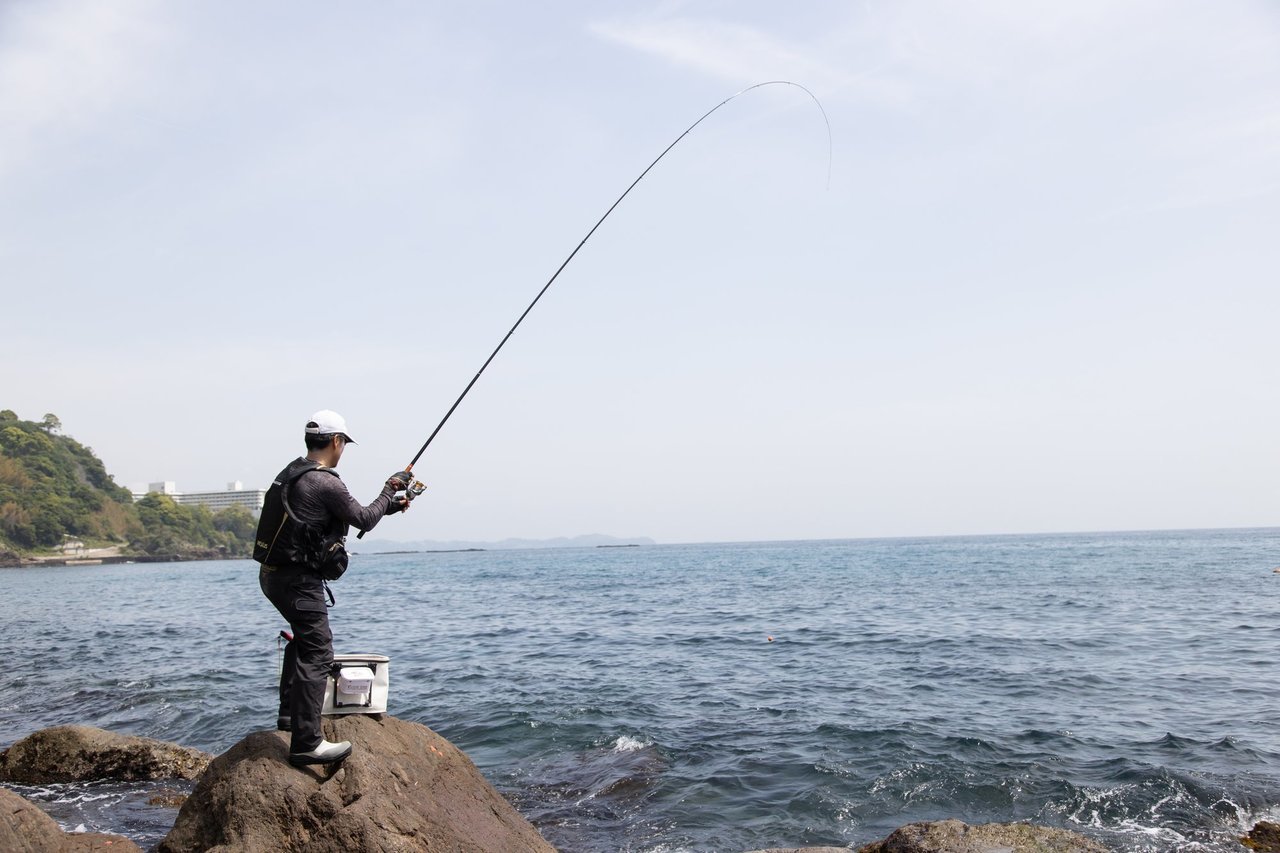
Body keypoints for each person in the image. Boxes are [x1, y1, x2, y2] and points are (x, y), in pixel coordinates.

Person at [254, 409, 411, 766]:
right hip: (297, 580)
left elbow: (350, 514)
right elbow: (363, 518)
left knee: (303, 640)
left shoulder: (293, 473)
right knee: (319, 652)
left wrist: (388, 505)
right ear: (337, 441)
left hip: (273, 575)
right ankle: (307, 743)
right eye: (344, 444)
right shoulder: (326, 481)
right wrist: (390, 489)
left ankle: (289, 716)